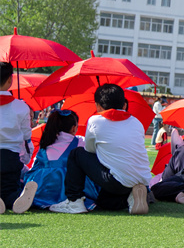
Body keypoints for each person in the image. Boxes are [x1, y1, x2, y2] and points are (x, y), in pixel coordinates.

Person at [49, 83, 151, 214]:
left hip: (117, 181)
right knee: (104, 202)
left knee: (77, 154)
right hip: (142, 180)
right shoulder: (136, 123)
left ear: (97, 105)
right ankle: (131, 197)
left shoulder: (95, 121)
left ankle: (74, 201)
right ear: (124, 105)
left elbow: (89, 150)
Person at [11, 110, 100, 212]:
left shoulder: (45, 143)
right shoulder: (80, 141)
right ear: (74, 127)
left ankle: (34, 196)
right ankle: (70, 200)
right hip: (67, 184)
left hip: (42, 183)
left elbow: (35, 165)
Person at [0, 61, 33, 214]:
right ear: (10, 80)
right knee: (9, 188)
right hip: (10, 157)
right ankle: (13, 199)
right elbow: (27, 135)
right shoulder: (21, 106)